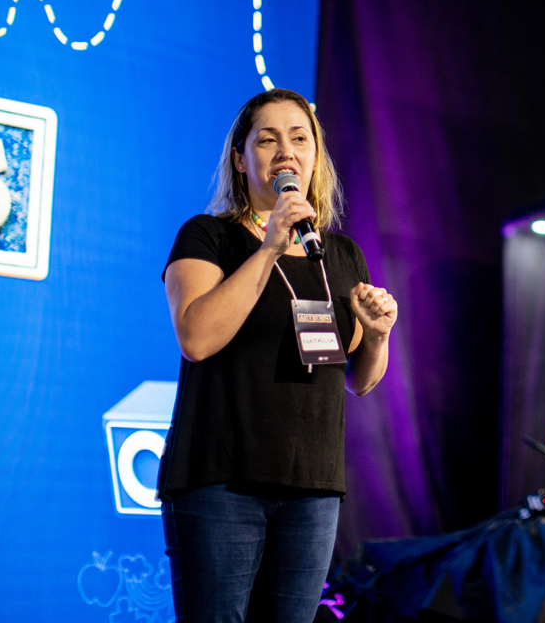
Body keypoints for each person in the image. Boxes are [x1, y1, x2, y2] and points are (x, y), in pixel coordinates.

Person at [157, 88, 396, 622]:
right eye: (267, 139)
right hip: (221, 482)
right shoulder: (207, 235)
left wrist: (377, 335)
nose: (286, 151)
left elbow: (358, 379)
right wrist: (269, 246)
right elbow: (196, 338)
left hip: (311, 488)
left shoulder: (340, 254)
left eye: (299, 138)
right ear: (242, 162)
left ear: (315, 158)